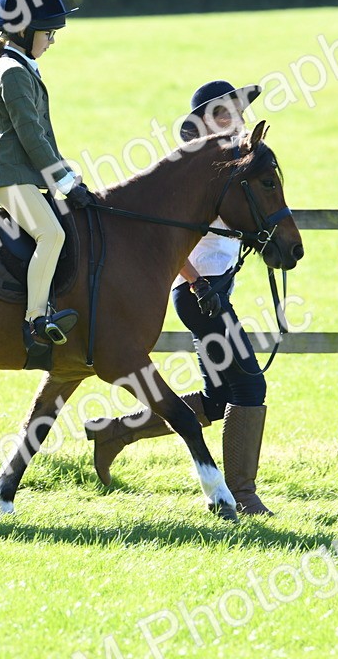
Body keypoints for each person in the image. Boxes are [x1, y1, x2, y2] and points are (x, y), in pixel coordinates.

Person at [84, 80, 274, 516]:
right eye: (226, 114)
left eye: (239, 112)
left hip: (212, 291)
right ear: (205, 123)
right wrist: (196, 282)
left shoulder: (228, 167)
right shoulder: (197, 175)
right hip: (201, 296)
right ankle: (241, 497)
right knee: (249, 385)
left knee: (217, 399)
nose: (237, 120)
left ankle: (113, 432)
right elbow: (168, 241)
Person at [0, 0, 92, 364]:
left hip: (23, 173)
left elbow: (45, 134)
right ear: (25, 31)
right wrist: (62, 182)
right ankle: (35, 320)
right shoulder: (13, 72)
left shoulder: (22, 67)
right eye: (48, 33)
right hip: (9, 176)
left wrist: (70, 178)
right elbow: (30, 136)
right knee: (52, 234)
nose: (51, 41)